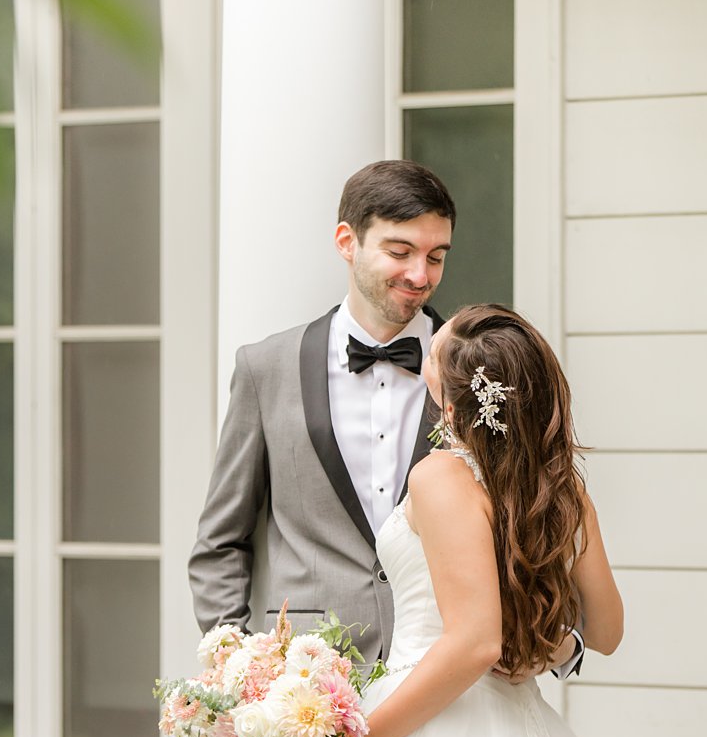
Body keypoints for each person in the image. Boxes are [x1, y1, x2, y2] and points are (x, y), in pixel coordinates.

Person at [301, 304, 706, 737]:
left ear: (454, 398)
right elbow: (604, 630)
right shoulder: (559, 487)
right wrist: (550, 643)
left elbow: (474, 641)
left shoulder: (440, 477)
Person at [189, 159, 585, 676]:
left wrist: (553, 640)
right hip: (307, 683)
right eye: (400, 251)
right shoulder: (264, 368)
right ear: (347, 241)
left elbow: (536, 511)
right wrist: (240, 666)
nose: (420, 275)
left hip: (449, 681)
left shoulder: (481, 375)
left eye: (436, 256)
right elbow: (221, 542)